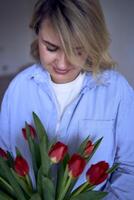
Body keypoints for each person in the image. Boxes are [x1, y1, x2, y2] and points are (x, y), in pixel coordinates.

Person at [0, 0, 134, 199]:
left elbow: (129, 169)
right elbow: (4, 162)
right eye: (51, 48)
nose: (63, 63)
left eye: (77, 50)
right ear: (37, 34)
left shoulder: (117, 91)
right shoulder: (19, 88)